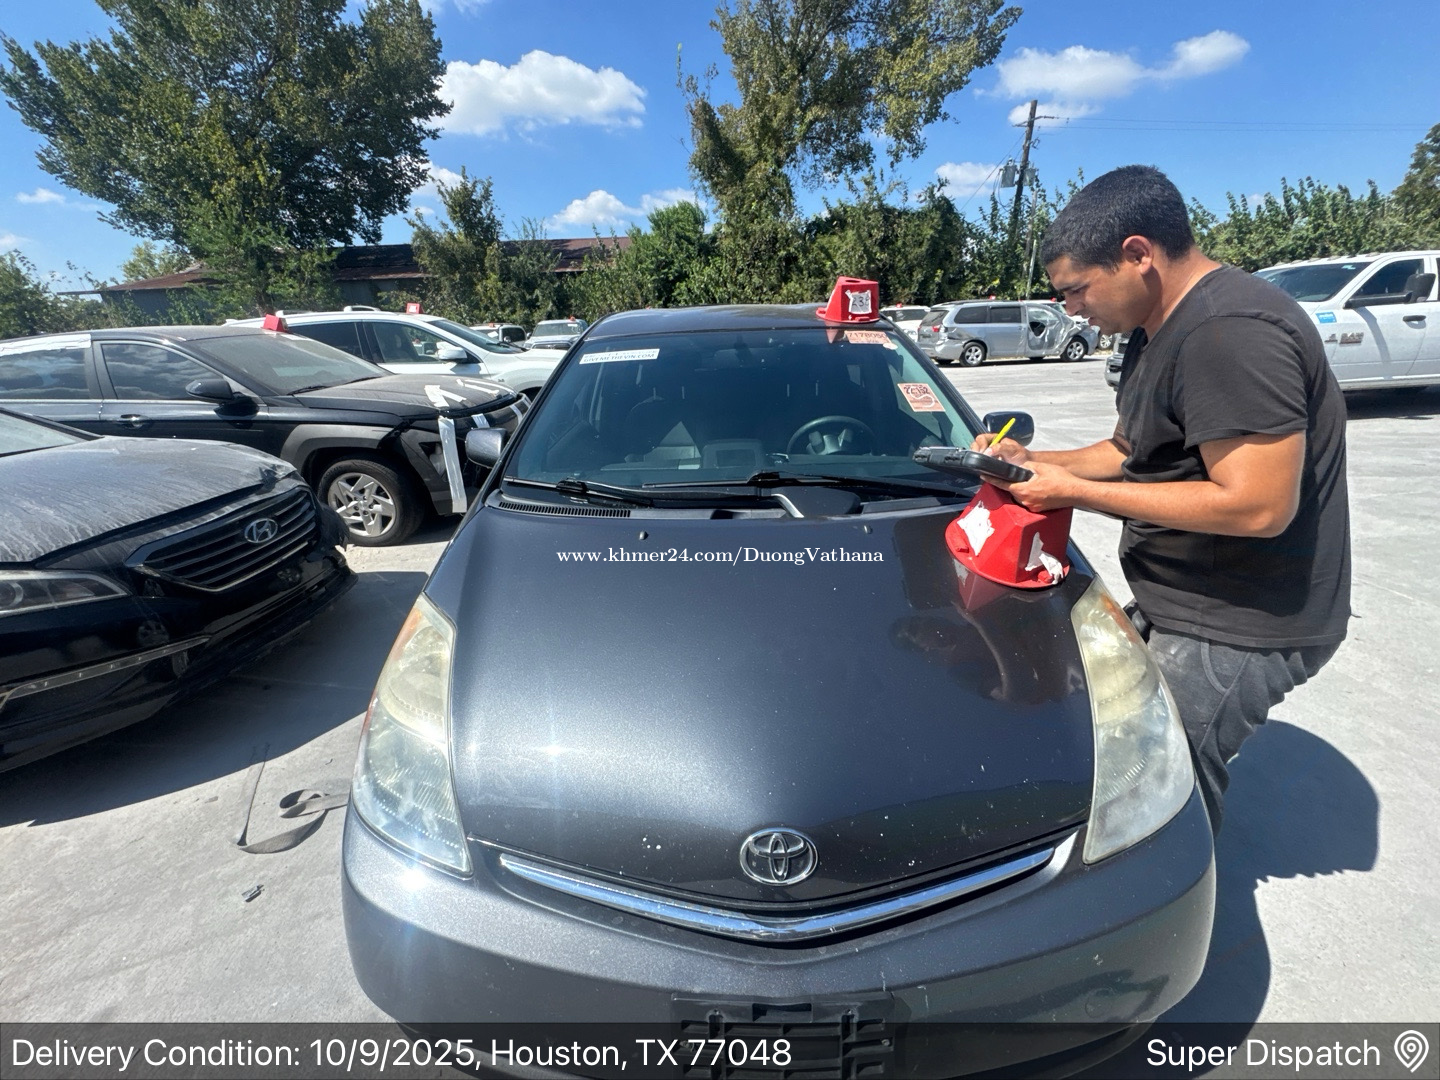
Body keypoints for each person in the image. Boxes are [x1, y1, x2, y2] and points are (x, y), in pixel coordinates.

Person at [975, 164, 1350, 834]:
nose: (1071, 311)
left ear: (1138, 254)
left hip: (1241, 620)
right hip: (1189, 598)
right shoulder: (1157, 329)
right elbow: (1129, 449)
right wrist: (1036, 463)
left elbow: (1259, 507)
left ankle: (1174, 898)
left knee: (1158, 796)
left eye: (1076, 290)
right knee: (1123, 757)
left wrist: (1072, 493)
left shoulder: (1228, 331)